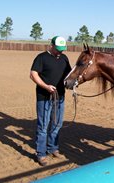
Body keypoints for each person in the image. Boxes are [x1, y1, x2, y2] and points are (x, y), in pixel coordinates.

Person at [30, 36, 71, 166]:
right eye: (58, 49)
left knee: (57, 123)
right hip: (44, 97)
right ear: (51, 45)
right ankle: (41, 154)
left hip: (60, 97)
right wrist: (46, 87)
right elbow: (33, 74)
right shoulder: (41, 58)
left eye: (62, 49)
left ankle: (53, 148)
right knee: (43, 126)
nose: (60, 52)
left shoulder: (64, 58)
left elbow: (69, 74)